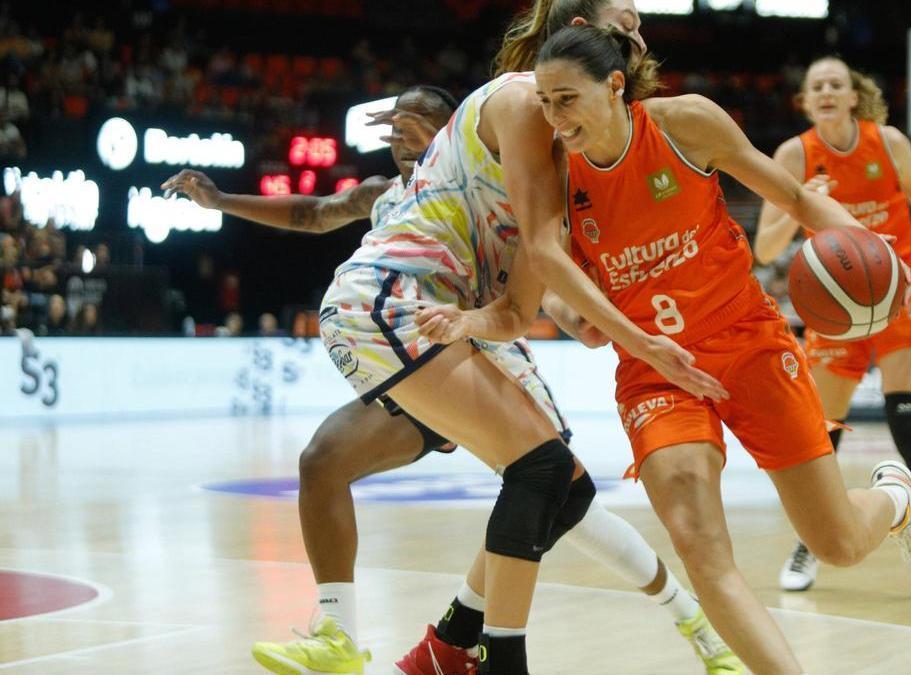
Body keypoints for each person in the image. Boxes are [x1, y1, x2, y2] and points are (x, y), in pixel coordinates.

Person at [167, 53, 738, 675]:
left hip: (478, 345)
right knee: (322, 461)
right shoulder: (387, 196)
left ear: (452, 134)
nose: (402, 141)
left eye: (417, 128)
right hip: (414, 341)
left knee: (562, 494)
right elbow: (311, 214)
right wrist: (220, 200)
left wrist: (584, 319)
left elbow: (544, 280)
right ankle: (340, 634)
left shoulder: (500, 174)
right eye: (394, 133)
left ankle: (688, 622)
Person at [504, 27, 911, 673]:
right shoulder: (550, 170)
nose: (554, 117)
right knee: (700, 547)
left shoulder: (685, 124)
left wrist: (876, 251)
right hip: (653, 369)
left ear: (613, 86)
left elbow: (797, 199)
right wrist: (573, 315)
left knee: (837, 542)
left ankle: (896, 499)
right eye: (545, 102)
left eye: (566, 98)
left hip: (746, 339)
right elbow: (545, 275)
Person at [755, 56, 911, 602]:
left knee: (907, 424)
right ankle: (810, 541)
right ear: (805, 100)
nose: (825, 92)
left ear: (851, 95)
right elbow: (764, 248)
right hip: (837, 309)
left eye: (835, 84)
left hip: (899, 293)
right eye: (815, 85)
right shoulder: (794, 155)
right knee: (822, 434)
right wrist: (801, 203)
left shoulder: (887, 142)